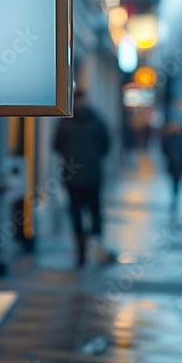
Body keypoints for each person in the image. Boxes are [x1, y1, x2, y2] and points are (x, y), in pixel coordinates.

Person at [53, 89, 112, 267]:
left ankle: (81, 251)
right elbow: (106, 146)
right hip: (93, 175)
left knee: (76, 212)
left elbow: (56, 145)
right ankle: (96, 245)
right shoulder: (97, 120)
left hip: (73, 177)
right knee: (94, 211)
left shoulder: (65, 122)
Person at [161, 120, 182, 214]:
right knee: (177, 180)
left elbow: (164, 150)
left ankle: (174, 195)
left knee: (173, 180)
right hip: (179, 163)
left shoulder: (168, 138)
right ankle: (175, 195)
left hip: (172, 162)